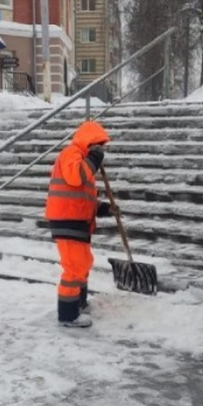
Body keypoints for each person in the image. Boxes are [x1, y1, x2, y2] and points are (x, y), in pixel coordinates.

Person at [45, 120, 116, 328]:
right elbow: (76, 178)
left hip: (77, 220)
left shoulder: (82, 159)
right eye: (97, 145)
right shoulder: (72, 153)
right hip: (66, 221)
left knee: (83, 263)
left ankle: (78, 303)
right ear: (88, 142)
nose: (100, 149)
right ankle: (68, 315)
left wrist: (103, 209)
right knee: (74, 268)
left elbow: (81, 198)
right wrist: (94, 158)